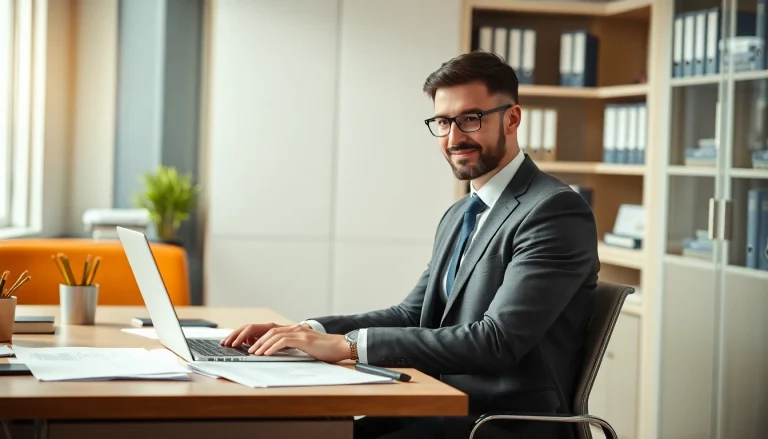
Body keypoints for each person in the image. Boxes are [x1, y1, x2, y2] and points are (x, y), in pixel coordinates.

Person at [221, 51, 599, 439]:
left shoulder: (553, 210)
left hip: (498, 423)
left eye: (470, 119)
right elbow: (413, 312)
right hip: (438, 402)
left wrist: (348, 347)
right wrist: (304, 332)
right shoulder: (459, 215)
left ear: (512, 118)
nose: (454, 138)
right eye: (442, 121)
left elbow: (496, 340)